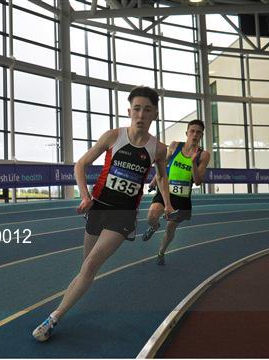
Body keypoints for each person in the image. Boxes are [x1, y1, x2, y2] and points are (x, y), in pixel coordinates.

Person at [32, 86, 174, 342]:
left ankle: (53, 318)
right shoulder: (113, 136)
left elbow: (162, 178)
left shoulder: (158, 149)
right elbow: (81, 164)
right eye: (137, 108)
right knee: (86, 267)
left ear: (155, 114)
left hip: (123, 216)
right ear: (129, 111)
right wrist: (85, 196)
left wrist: (168, 204)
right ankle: (77, 292)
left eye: (148, 110)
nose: (141, 114)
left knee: (90, 265)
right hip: (99, 207)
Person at [142, 119, 211, 265]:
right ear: (187, 133)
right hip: (166, 191)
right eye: (192, 131)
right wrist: (155, 181)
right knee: (151, 216)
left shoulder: (203, 155)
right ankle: (154, 226)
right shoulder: (175, 146)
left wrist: (193, 162)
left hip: (183, 197)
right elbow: (163, 165)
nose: (195, 134)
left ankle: (161, 252)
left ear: (201, 135)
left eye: (198, 132)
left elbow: (198, 181)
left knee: (170, 228)